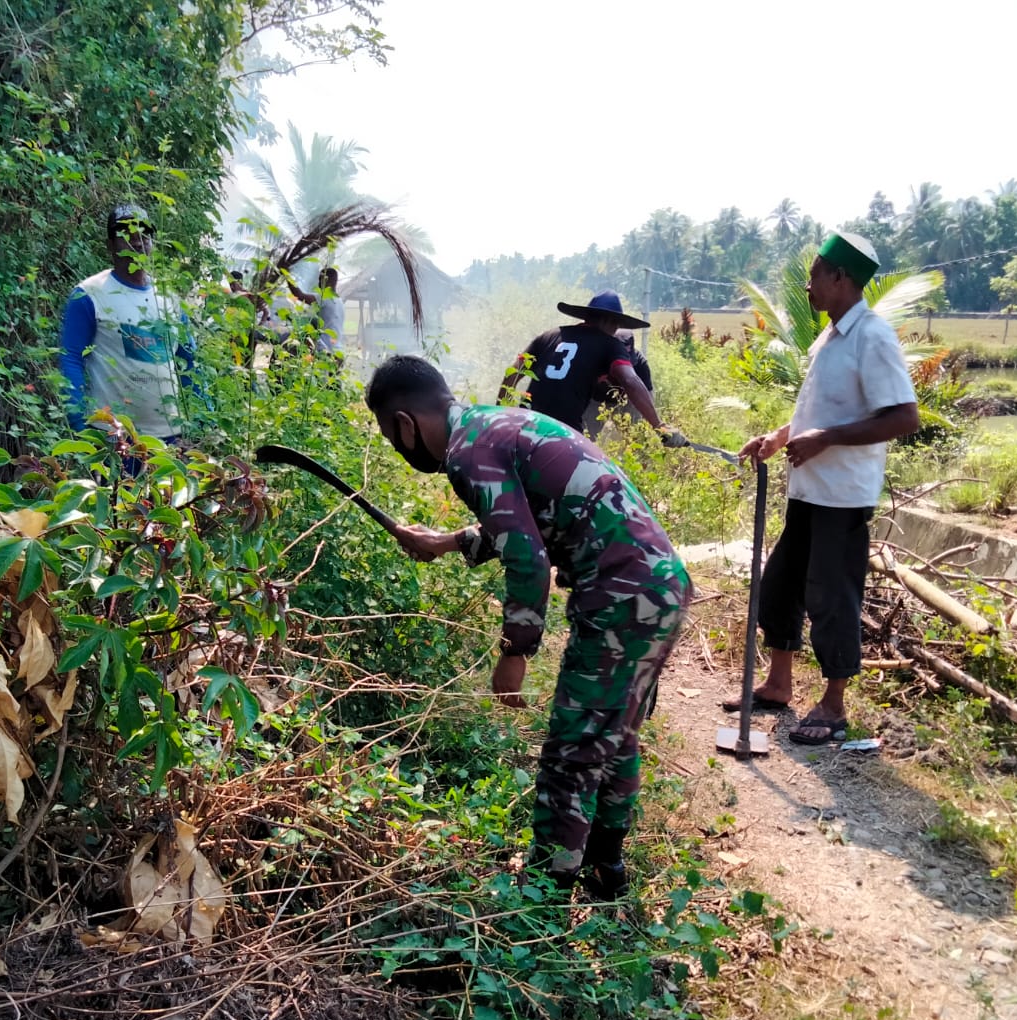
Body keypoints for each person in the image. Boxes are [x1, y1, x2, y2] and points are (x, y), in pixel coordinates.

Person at [366, 355, 691, 901]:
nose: (399, 449)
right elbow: (528, 523)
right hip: (658, 586)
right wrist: (445, 541)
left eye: (391, 436)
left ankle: (546, 891)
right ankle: (605, 869)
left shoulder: (466, 453)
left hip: (622, 595)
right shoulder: (495, 425)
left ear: (403, 424)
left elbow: (527, 558)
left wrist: (514, 652)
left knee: (573, 750)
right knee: (614, 731)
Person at [733, 231, 920, 745]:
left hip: (842, 495)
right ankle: (778, 684)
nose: (808, 285)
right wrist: (780, 437)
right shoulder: (831, 336)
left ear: (840, 278)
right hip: (809, 488)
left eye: (814, 274)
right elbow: (822, 411)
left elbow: (904, 417)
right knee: (782, 585)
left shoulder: (872, 336)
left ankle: (834, 706)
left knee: (832, 597)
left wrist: (827, 440)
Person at [58, 203, 195, 443]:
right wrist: (79, 423)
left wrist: (200, 421)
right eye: (126, 236)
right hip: (114, 437)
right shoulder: (89, 294)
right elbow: (71, 357)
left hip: (171, 438)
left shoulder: (169, 298)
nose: (137, 242)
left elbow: (188, 361)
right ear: (110, 245)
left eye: (143, 235)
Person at [500, 291, 668, 438]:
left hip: (524, 424)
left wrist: (501, 412)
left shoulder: (549, 335)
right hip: (562, 434)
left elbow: (512, 374)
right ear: (613, 322)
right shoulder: (610, 344)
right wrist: (659, 426)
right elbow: (630, 381)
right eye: (616, 325)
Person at [582, 329, 655, 440]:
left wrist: (653, 421)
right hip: (596, 400)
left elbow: (648, 393)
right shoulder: (595, 358)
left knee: (633, 438)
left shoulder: (640, 363)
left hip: (627, 402)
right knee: (585, 437)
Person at [287, 265, 345, 355]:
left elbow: (299, 295)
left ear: (326, 280)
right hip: (339, 351)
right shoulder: (339, 301)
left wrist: (287, 275)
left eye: (320, 280)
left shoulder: (324, 297)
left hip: (326, 350)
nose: (318, 284)